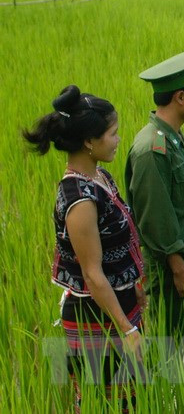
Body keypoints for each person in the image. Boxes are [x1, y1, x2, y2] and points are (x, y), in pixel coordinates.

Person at [24, 86, 145, 411]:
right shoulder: (80, 199)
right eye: (112, 134)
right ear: (89, 142)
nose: (118, 139)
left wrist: (136, 288)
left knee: (131, 396)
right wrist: (127, 328)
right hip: (97, 314)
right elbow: (92, 274)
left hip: (120, 302)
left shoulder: (100, 177)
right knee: (104, 400)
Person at [125, 47, 184, 337]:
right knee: (179, 344)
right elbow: (155, 217)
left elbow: (182, 202)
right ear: (181, 97)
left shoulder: (174, 137)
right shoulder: (151, 149)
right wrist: (179, 268)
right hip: (175, 262)